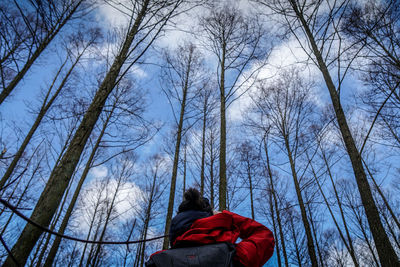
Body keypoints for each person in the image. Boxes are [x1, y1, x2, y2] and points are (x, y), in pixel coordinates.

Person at [146, 188, 275, 267]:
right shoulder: (236, 255)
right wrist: (227, 217)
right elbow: (264, 235)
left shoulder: (158, 260)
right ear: (212, 218)